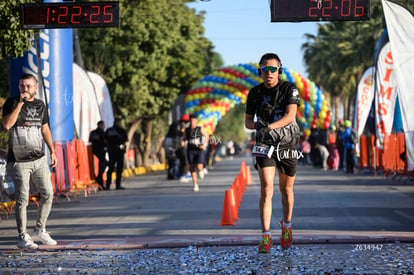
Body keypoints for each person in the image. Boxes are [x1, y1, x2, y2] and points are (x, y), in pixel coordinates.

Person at [245, 53, 300, 253]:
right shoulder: (254, 93)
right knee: (267, 189)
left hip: (286, 143)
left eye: (273, 69)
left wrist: (270, 127)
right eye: (265, 69)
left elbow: (290, 116)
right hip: (264, 145)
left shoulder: (289, 89)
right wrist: (257, 125)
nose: (269, 73)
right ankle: (266, 236)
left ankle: (286, 226)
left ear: (279, 70)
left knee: (286, 190)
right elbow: (248, 122)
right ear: (260, 71)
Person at [2, 73, 58, 249]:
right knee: (22, 200)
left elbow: (45, 129)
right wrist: (20, 103)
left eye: (28, 86)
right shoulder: (12, 103)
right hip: (19, 161)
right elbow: (7, 125)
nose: (24, 89)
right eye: (21, 86)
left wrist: (53, 151)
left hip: (39, 159)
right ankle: (23, 237)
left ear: (35, 87)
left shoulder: (41, 106)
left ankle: (40, 230)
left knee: (48, 193)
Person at [182, 113, 209, 192]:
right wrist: (182, 142)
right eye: (191, 120)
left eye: (194, 120)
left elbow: (207, 136)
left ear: (196, 121)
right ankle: (195, 184)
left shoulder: (200, 128)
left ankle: (201, 170)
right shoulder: (187, 130)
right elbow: (183, 138)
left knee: (199, 166)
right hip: (190, 150)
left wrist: (204, 144)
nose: (192, 121)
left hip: (199, 150)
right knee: (192, 167)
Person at [105, 118, 128, 190]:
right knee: (118, 168)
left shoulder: (109, 130)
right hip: (118, 151)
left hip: (112, 151)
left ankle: (108, 185)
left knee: (111, 168)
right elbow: (125, 140)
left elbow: (105, 140)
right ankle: (117, 185)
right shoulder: (121, 130)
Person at [89, 120, 107, 190]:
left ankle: (100, 181)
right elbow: (105, 141)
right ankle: (99, 178)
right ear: (100, 125)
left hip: (94, 150)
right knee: (104, 163)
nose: (103, 126)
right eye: (103, 125)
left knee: (102, 164)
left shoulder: (93, 133)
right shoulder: (102, 132)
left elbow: (90, 140)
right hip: (101, 150)